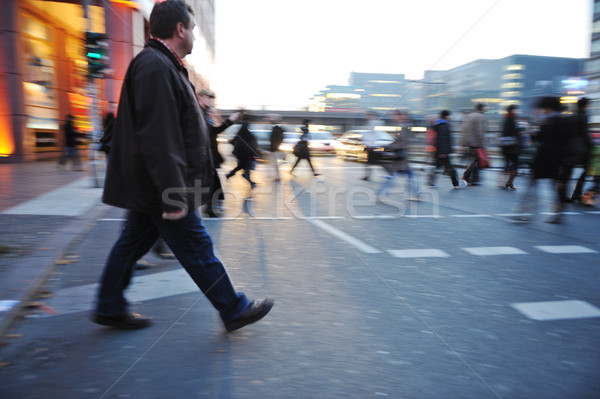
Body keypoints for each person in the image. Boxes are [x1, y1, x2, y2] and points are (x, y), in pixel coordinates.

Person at [91, 0, 273, 331]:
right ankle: (232, 308)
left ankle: (108, 304)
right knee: (196, 247)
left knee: (131, 244)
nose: (193, 34)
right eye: (192, 28)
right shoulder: (155, 67)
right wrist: (170, 191)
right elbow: (159, 136)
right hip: (165, 188)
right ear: (179, 29)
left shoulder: (162, 65)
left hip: (154, 186)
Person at [513, 96, 571, 224]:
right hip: (556, 160)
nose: (542, 111)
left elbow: (541, 138)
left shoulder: (549, 121)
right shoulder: (562, 121)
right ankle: (557, 213)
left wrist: (529, 133)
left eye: (543, 108)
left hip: (545, 158)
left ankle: (524, 210)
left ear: (548, 108)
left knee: (532, 184)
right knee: (554, 187)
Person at [196, 88, 240, 217]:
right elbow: (211, 133)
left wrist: (229, 120)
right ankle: (210, 208)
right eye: (209, 98)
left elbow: (213, 132)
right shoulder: (198, 112)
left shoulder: (203, 113)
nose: (211, 101)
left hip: (208, 155)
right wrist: (230, 120)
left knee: (213, 182)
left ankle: (211, 208)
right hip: (204, 155)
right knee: (211, 183)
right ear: (201, 97)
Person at [377, 110, 419, 199]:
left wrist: (389, 147)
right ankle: (415, 193)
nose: (392, 117)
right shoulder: (402, 126)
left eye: (394, 115)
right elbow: (399, 141)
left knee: (394, 174)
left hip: (400, 155)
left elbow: (402, 143)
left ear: (400, 116)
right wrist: (387, 146)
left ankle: (380, 192)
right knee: (404, 174)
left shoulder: (403, 127)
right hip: (400, 155)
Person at [428, 110, 464, 189]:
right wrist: (442, 152)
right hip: (442, 152)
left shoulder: (440, 124)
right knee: (450, 169)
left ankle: (431, 182)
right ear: (446, 116)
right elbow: (441, 139)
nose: (450, 117)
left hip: (440, 151)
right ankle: (456, 184)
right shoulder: (443, 125)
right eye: (449, 115)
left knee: (438, 167)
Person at [226, 115, 260, 189]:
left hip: (242, 154)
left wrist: (232, 143)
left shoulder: (241, 131)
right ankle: (250, 182)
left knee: (241, 167)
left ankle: (248, 180)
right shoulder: (246, 132)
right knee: (242, 167)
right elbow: (251, 144)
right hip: (245, 154)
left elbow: (234, 140)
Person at [570, 97, 593, 202]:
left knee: (570, 170)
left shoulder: (574, 116)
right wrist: (591, 145)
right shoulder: (584, 116)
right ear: (585, 105)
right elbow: (585, 134)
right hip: (582, 147)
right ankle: (577, 193)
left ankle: (575, 193)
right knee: (587, 169)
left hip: (573, 147)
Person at [461, 103, 487, 185]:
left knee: (474, 159)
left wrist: (464, 141)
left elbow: (464, 129)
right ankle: (466, 176)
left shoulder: (469, 116)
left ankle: (474, 177)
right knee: (475, 160)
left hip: (469, 142)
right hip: (476, 142)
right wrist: (483, 144)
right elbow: (480, 131)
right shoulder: (480, 116)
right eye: (484, 108)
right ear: (481, 108)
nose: (485, 109)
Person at [499, 105, 522, 190]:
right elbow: (516, 130)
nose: (517, 111)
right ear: (513, 111)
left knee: (506, 164)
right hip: (512, 147)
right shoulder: (512, 119)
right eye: (516, 110)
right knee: (515, 164)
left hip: (505, 145)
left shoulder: (505, 118)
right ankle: (510, 182)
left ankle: (501, 182)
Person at [361, 111, 380, 180]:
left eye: (368, 115)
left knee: (371, 162)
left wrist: (369, 144)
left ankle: (367, 176)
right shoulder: (369, 124)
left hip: (371, 146)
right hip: (368, 146)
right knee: (368, 162)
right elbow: (367, 135)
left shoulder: (373, 123)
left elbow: (372, 136)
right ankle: (367, 176)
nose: (366, 116)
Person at [269, 115, 285, 181]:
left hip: (274, 149)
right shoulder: (278, 129)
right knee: (275, 164)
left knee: (275, 164)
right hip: (275, 148)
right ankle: (277, 176)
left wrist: (276, 147)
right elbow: (281, 138)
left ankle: (278, 176)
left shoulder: (276, 129)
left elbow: (276, 140)